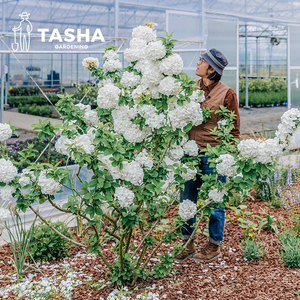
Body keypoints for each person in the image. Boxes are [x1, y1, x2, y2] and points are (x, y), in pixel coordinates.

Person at [174, 48, 240, 262]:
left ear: (211, 69)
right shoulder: (191, 89)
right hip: (190, 154)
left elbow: (234, 130)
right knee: (187, 199)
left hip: (213, 155)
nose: (197, 63)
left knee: (215, 201)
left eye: (201, 61)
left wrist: (227, 158)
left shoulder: (227, 93)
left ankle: (214, 246)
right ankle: (188, 243)